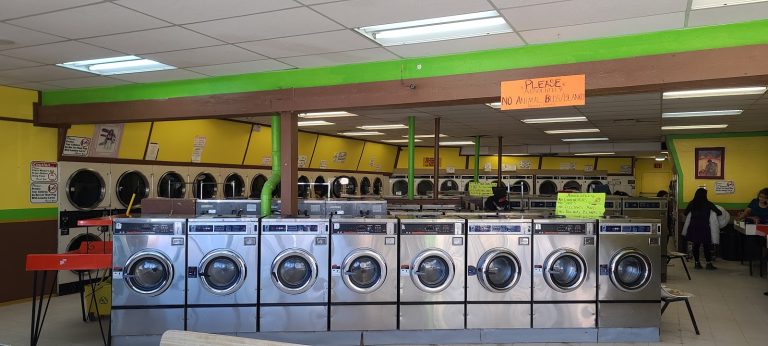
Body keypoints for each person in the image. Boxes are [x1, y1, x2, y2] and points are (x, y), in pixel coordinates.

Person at [682, 188, 722, 270]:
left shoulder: (692, 203)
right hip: (704, 227)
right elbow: (719, 212)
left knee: (696, 245)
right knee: (706, 245)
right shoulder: (708, 204)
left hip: (693, 226)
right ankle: (708, 264)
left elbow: (685, 213)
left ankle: (697, 263)